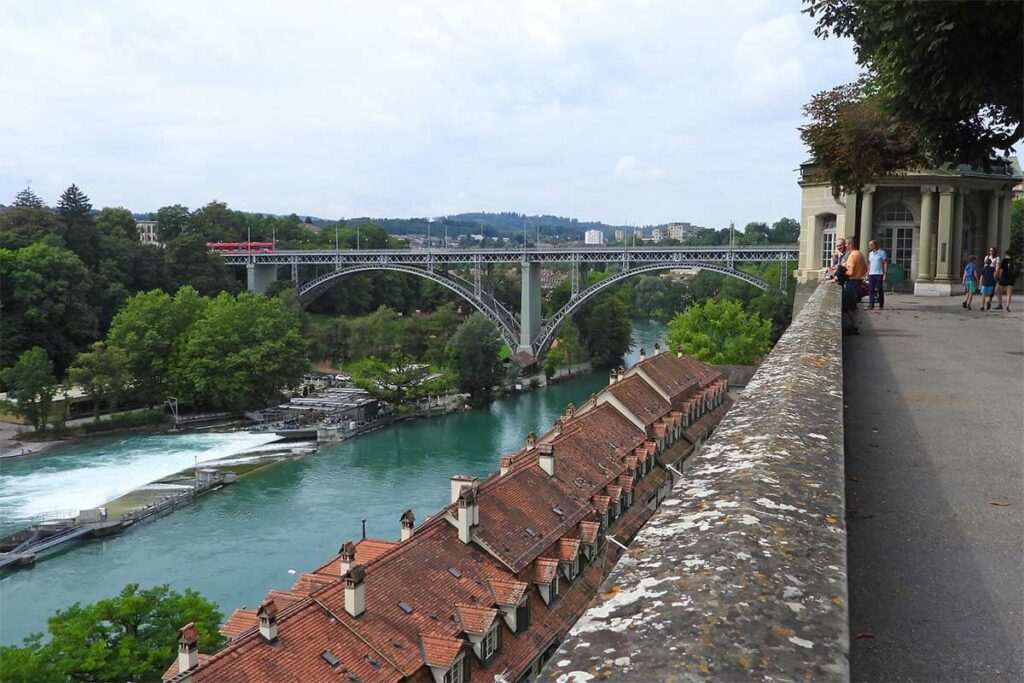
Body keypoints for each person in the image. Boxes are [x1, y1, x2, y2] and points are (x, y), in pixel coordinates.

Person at [843, 239, 868, 334]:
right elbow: (865, 269)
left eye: (846, 244)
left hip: (851, 282)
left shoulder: (852, 256)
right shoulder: (860, 254)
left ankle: (854, 326)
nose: (845, 245)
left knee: (849, 306)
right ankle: (855, 326)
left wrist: (843, 272)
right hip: (858, 282)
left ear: (850, 245)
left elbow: (850, 272)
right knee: (853, 306)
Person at [866, 240, 888, 310]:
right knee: (871, 289)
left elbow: (885, 263)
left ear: (874, 245)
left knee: (879, 289)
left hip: (879, 273)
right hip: (871, 274)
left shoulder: (882, 253)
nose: (869, 246)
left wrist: (885, 273)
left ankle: (881, 304)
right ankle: (871, 304)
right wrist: (867, 273)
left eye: (870, 245)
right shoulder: (870, 254)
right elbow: (869, 263)